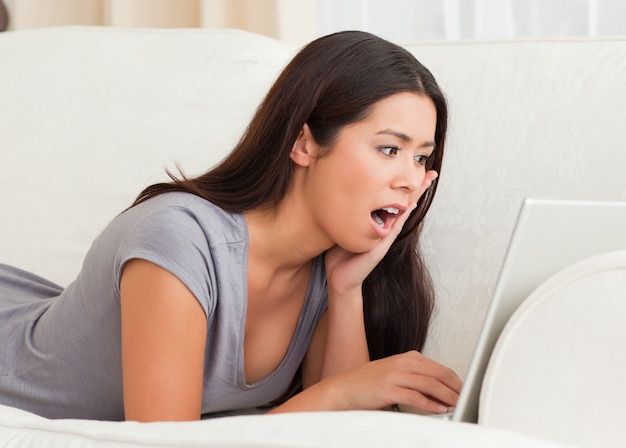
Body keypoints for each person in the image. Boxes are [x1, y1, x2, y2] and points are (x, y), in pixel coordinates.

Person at [0, 30, 462, 422]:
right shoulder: (179, 238)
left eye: (422, 157)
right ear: (303, 143)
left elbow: (339, 436)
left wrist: (345, 290)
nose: (409, 180)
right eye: (388, 150)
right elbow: (163, 445)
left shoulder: (327, 270)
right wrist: (341, 393)